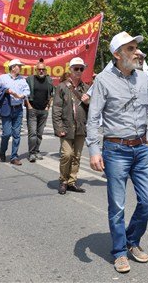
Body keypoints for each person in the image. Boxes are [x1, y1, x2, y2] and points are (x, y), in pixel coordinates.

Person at [86, 32, 148, 273]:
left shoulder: (144, 78)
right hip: (116, 150)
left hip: (142, 150)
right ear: (117, 54)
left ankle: (132, 240)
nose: (138, 53)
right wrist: (94, 150)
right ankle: (119, 251)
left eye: (137, 48)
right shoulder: (103, 80)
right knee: (117, 206)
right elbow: (93, 118)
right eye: (131, 49)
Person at [53, 57, 90, 194]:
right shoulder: (62, 86)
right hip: (67, 127)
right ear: (70, 69)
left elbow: (93, 109)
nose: (79, 71)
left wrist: (88, 102)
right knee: (67, 155)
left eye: (81, 68)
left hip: (80, 127)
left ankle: (72, 182)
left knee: (77, 156)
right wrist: (59, 128)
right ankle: (63, 180)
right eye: (76, 68)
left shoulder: (86, 88)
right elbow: (56, 108)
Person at [0, 59, 30, 165]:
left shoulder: (22, 80)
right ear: (13, 67)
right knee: (6, 133)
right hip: (7, 108)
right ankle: (2, 153)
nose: (21, 68)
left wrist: (22, 95)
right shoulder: (2, 78)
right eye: (19, 66)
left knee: (17, 134)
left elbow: (27, 91)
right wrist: (5, 91)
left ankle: (14, 156)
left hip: (18, 109)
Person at [25, 59, 54, 162]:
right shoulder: (29, 79)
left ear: (45, 70)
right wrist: (29, 105)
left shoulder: (49, 80)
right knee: (32, 133)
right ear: (36, 70)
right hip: (32, 110)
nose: (41, 71)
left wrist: (48, 107)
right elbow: (25, 94)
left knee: (39, 133)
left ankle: (37, 151)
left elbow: (51, 94)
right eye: (39, 69)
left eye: (43, 69)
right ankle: (31, 153)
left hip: (43, 110)